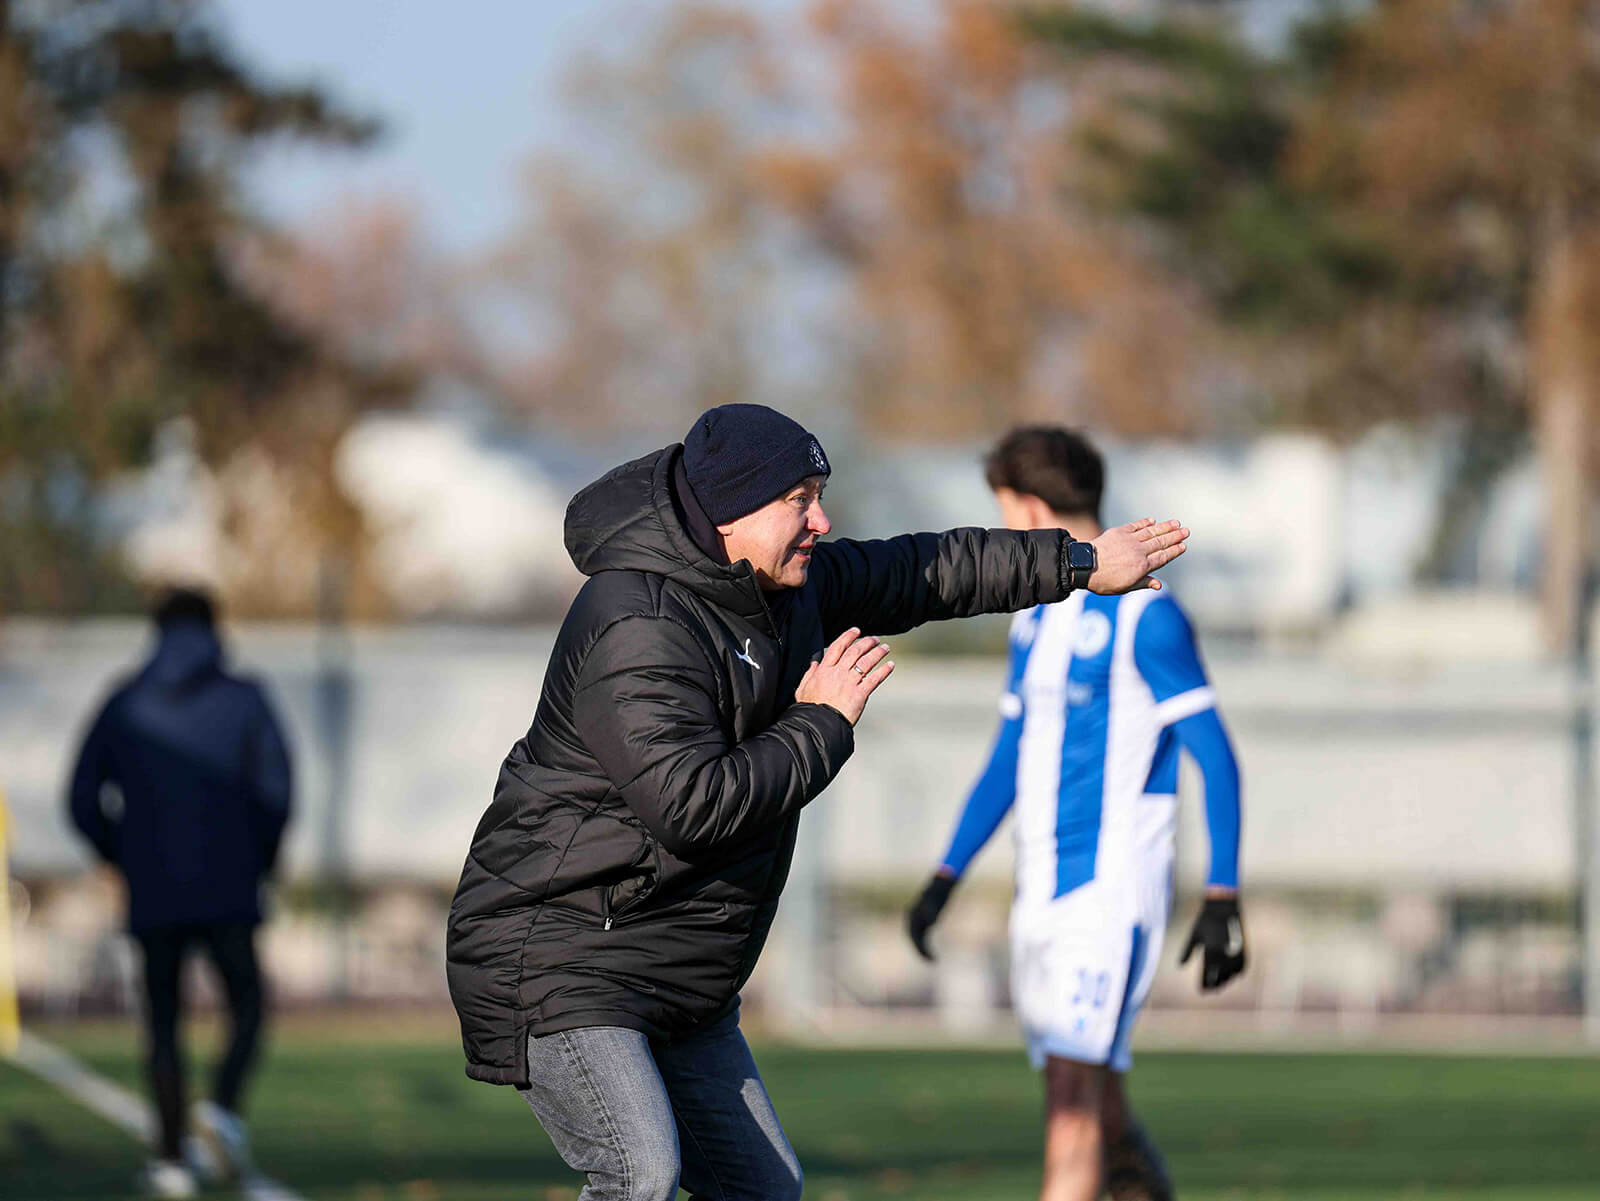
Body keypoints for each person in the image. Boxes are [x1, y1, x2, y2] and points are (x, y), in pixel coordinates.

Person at [446, 403, 1190, 1201]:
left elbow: (931, 568)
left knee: (763, 1189)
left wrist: (1079, 562)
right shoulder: (638, 619)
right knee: (641, 1173)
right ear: (731, 511)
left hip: (675, 972)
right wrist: (822, 719)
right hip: (558, 953)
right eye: (798, 499)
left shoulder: (790, 588)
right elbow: (691, 806)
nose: (821, 519)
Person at [907, 426, 1244, 1201]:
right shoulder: (1034, 616)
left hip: (1109, 890)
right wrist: (944, 875)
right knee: (1093, 1093)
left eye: (1001, 511)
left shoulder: (1148, 617)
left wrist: (1223, 892)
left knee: (1070, 1104)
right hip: (1042, 889)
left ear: (1028, 508)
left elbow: (1215, 751)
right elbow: (1009, 756)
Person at [68, 586, 293, 1198]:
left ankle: (170, 1161)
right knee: (247, 1003)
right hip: (229, 887)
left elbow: (81, 798)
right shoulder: (247, 699)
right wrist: (259, 860)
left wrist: (124, 854)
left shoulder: (126, 701)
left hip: (154, 890)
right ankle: (220, 1110)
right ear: (214, 629)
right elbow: (276, 792)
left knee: (163, 1021)